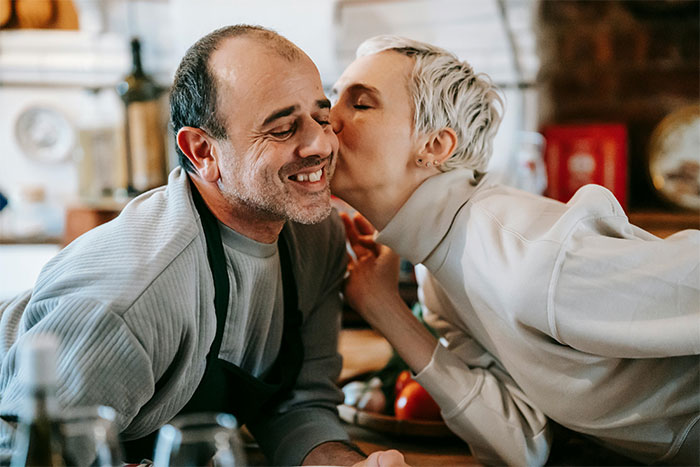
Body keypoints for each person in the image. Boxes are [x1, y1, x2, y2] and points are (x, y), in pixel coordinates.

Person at [0, 25, 408, 467]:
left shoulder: (316, 234)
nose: (321, 143)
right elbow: (27, 455)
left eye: (321, 118)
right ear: (202, 152)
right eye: (283, 128)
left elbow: (298, 405)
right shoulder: (132, 297)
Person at [330, 34, 700, 466]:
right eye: (334, 98)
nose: (327, 118)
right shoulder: (440, 279)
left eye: (360, 103)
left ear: (434, 146)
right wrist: (384, 310)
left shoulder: (528, 255)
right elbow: (522, 445)